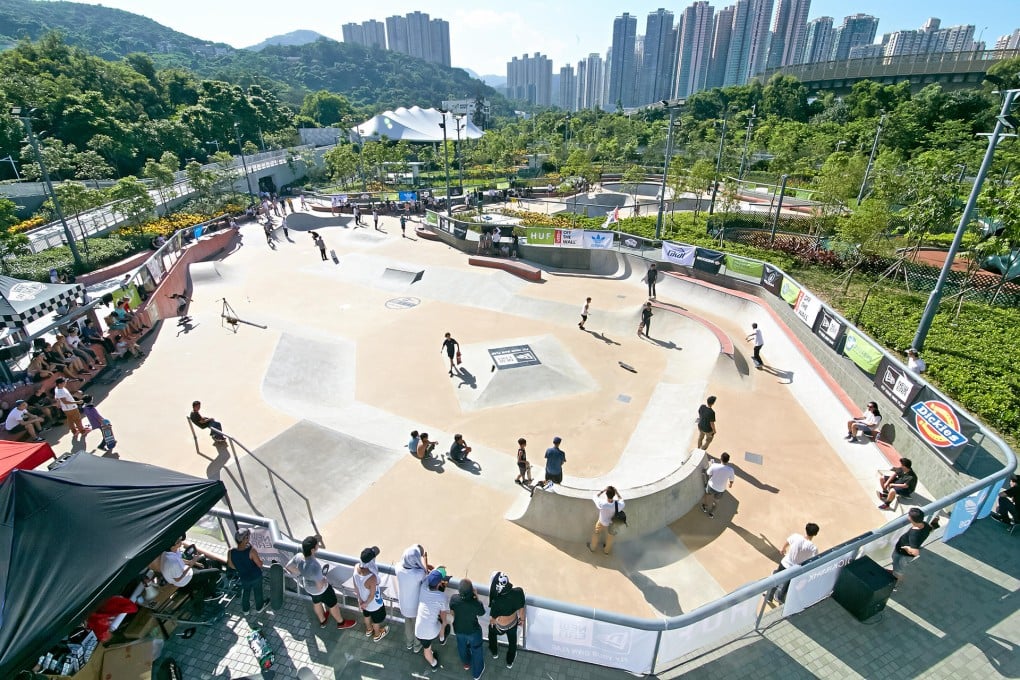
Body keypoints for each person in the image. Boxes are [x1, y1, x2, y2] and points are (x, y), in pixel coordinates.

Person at [286, 536, 357, 629]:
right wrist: (324, 580)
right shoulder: (315, 566)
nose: (318, 546)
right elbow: (319, 586)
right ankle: (341, 623)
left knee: (316, 603)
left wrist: (302, 573)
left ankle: (322, 621)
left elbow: (288, 567)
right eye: (317, 545)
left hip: (308, 588)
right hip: (321, 590)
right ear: (312, 550)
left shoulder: (298, 557)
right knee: (333, 605)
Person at [160, 535, 224, 615]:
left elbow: (180, 559)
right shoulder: (171, 563)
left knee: (202, 559)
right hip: (184, 580)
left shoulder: (169, 552)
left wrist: (194, 562)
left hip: (183, 570)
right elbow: (178, 579)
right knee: (216, 571)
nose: (181, 542)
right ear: (172, 547)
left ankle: (206, 583)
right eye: (178, 542)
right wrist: (192, 564)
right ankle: (209, 593)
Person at [766, 523, 820, 605]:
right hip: (795, 569)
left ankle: (769, 596)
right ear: (815, 534)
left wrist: (783, 549)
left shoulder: (796, 536)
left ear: (806, 529)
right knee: (788, 585)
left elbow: (787, 542)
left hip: (784, 563)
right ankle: (779, 597)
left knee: (777, 579)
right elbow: (813, 560)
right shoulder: (813, 548)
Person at [487, 571, 526, 670]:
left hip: (500, 627)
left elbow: (492, 620)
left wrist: (494, 621)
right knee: (512, 643)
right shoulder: (518, 592)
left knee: (491, 632)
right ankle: (509, 662)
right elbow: (521, 608)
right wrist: (522, 619)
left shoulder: (496, 601)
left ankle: (494, 652)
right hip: (513, 624)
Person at [415, 570, 451, 670]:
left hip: (418, 631)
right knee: (444, 623)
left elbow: (429, 577)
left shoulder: (423, 588)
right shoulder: (442, 596)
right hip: (431, 631)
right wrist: (443, 623)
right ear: (439, 583)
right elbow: (443, 615)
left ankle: (434, 664)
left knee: (427, 650)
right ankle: (442, 639)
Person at [450, 579, 485, 680]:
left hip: (459, 629)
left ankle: (466, 663)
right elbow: (481, 612)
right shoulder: (475, 603)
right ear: (472, 591)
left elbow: (453, 609)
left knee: (462, 646)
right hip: (473, 631)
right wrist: (476, 597)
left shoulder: (454, 599)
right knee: (477, 650)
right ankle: (477, 673)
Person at [396, 544, 429, 652]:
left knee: (408, 624)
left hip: (403, 604)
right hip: (415, 606)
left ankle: (409, 643)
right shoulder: (418, 573)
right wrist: (425, 559)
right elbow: (426, 573)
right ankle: (417, 645)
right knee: (416, 626)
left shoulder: (398, 569)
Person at [890, 508, 939, 579]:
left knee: (899, 570)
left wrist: (907, 548)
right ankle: (894, 572)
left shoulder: (914, 534)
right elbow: (930, 529)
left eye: (909, 515)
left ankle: (896, 582)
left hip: (903, 554)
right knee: (896, 565)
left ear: (911, 519)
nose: (908, 516)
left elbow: (915, 552)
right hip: (903, 553)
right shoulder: (925, 525)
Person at [228, 529, 267, 614]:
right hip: (256, 576)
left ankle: (245, 610)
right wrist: (261, 562)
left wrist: (241, 568)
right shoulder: (251, 551)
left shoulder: (231, 551)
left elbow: (230, 565)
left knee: (246, 592)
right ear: (245, 539)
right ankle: (259, 607)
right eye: (248, 536)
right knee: (258, 591)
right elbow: (260, 564)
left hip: (244, 577)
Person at [354, 546, 389, 642]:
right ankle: (377, 634)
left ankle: (369, 630)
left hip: (362, 599)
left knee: (366, 615)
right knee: (376, 619)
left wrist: (361, 601)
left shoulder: (356, 567)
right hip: (373, 603)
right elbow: (372, 594)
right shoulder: (371, 577)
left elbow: (355, 587)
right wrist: (366, 603)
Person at [588, 486, 624, 555]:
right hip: (611, 524)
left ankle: (592, 548)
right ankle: (606, 551)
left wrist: (602, 491)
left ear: (606, 494)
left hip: (601, 522)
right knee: (610, 538)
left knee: (596, 534)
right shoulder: (617, 505)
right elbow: (622, 500)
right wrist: (616, 492)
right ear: (614, 495)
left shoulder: (602, 503)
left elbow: (594, 496)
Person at [700, 452, 735, 519]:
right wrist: (730, 484)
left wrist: (712, 466)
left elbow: (707, 473)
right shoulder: (731, 470)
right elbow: (731, 480)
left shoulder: (714, 465)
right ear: (728, 461)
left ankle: (705, 506)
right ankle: (711, 513)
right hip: (721, 489)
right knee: (716, 501)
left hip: (711, 486)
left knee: (707, 495)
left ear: (720, 458)